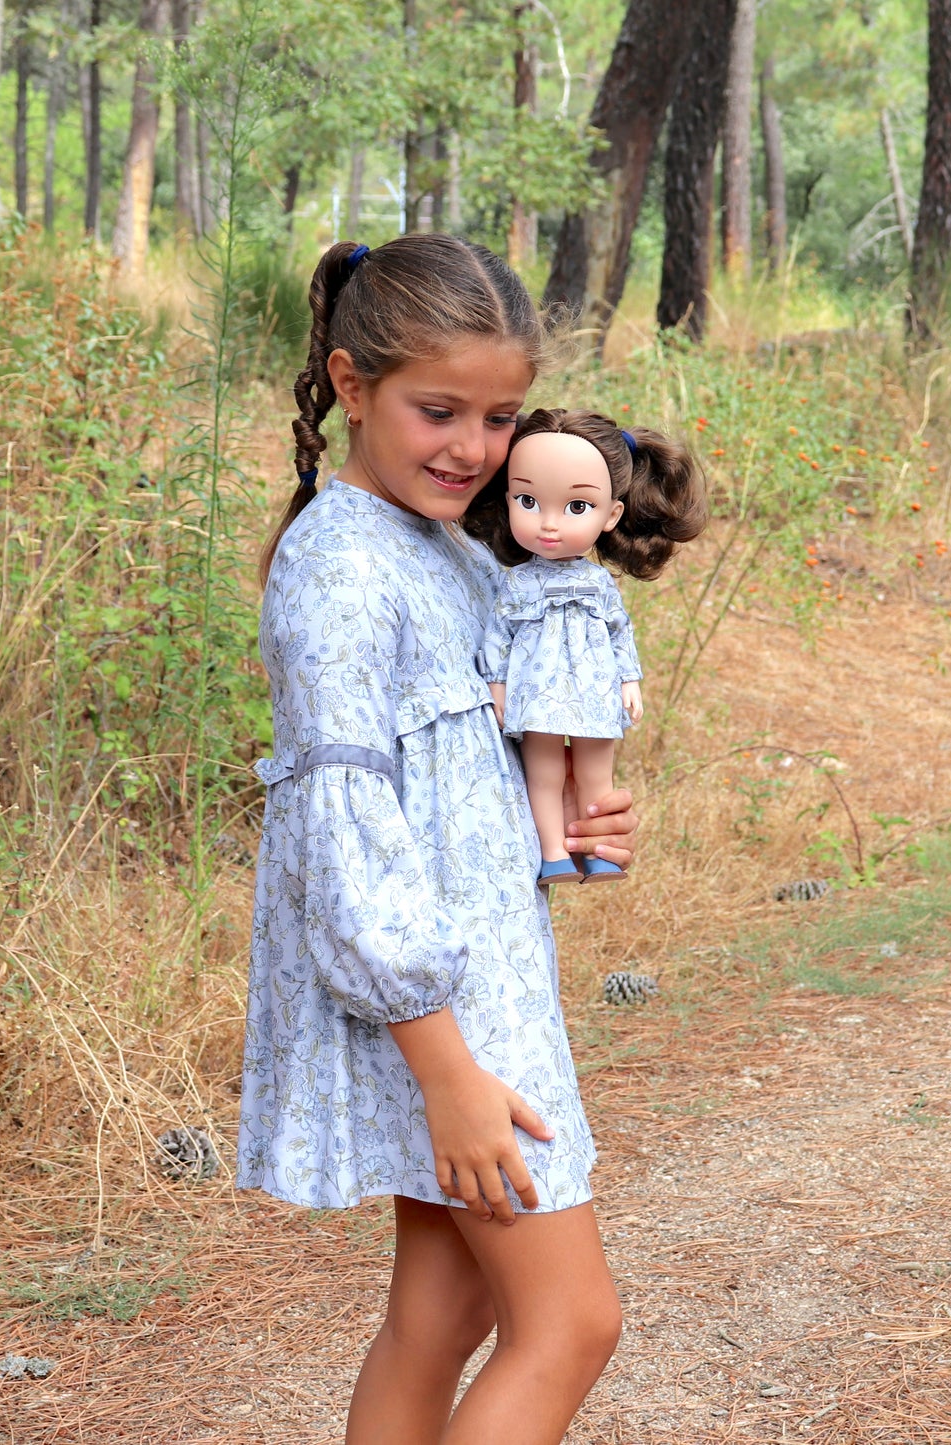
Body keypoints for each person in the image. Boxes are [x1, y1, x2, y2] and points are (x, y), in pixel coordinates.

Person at [237, 235, 639, 1444]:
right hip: (442, 1015)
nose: (471, 448)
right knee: (571, 1321)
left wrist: (572, 804)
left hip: (478, 977)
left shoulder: (452, 550)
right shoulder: (341, 574)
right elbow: (343, 836)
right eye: (437, 410)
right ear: (352, 386)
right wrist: (448, 1071)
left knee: (444, 1304)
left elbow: (471, 769)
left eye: (499, 415)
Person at [468, 409, 707, 886]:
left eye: (576, 507)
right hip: (536, 691)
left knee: (597, 774)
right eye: (528, 500)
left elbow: (621, 631)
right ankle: (553, 853)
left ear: (610, 515)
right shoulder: (516, 584)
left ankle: (597, 851)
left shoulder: (599, 584)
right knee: (546, 773)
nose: (549, 524)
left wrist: (630, 680)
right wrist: (497, 685)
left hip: (594, 689)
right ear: (508, 499)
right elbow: (498, 634)